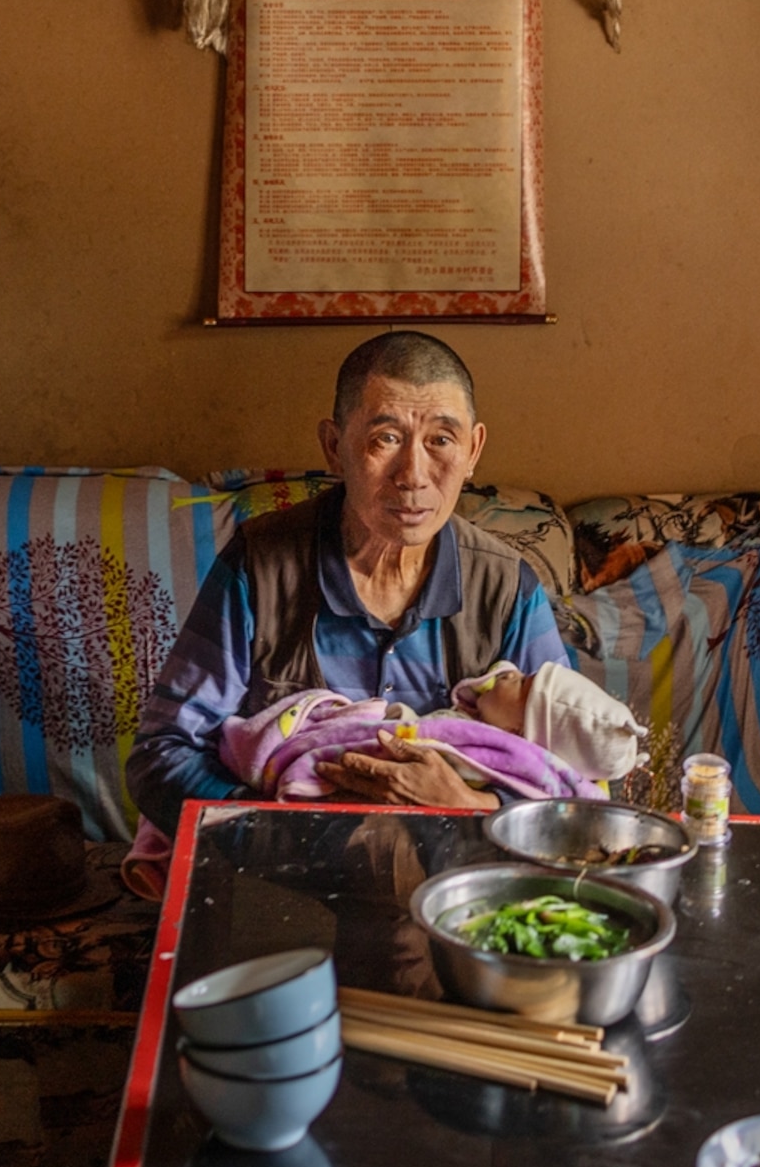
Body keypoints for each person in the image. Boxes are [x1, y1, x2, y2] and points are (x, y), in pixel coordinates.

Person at [127, 331, 571, 838]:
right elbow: (161, 755)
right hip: (280, 872)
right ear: (335, 448)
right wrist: (288, 824)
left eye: (441, 441)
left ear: (473, 450)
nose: (413, 476)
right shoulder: (261, 568)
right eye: (386, 439)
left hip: (455, 880)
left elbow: (575, 771)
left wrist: (469, 803)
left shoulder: (506, 587)